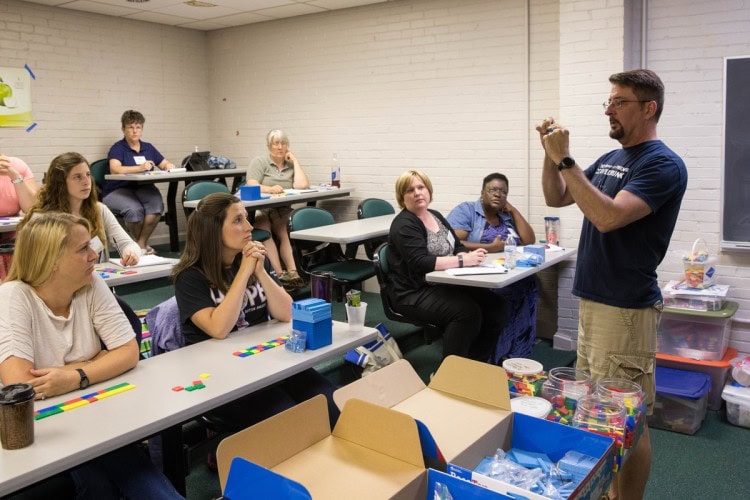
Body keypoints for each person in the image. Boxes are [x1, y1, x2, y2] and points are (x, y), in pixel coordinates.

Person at [537, 69, 688, 500]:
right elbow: (557, 197)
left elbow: (606, 217)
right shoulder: (610, 160)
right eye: (608, 100)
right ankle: (608, 491)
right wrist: (550, 155)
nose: (608, 109)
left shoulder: (662, 164)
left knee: (628, 419)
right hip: (594, 302)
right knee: (595, 412)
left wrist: (566, 159)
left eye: (618, 101)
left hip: (624, 311)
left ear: (648, 108)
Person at [0, 213, 182, 499]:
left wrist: (75, 375)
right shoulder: (12, 296)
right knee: (106, 480)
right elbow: (21, 385)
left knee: (124, 480)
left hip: (94, 411)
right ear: (52, 260)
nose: (93, 255)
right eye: (82, 248)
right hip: (43, 428)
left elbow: (128, 351)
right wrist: (98, 360)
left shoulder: (89, 282)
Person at [172, 192, 339, 432]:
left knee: (329, 400)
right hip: (222, 376)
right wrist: (244, 272)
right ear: (213, 230)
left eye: (246, 218)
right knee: (290, 418)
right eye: (238, 220)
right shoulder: (189, 277)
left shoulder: (253, 259)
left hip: (263, 362)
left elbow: (285, 313)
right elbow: (218, 329)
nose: (249, 226)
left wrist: (260, 271)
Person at [387, 170, 507, 362]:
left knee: (497, 306)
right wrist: (462, 261)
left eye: (421, 187)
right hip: (413, 292)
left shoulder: (435, 216)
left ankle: (476, 361)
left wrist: (467, 255)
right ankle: (449, 374)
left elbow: (457, 245)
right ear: (402, 197)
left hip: (443, 283)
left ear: (429, 190)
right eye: (410, 190)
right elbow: (421, 263)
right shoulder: (404, 224)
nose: (417, 193)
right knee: (466, 313)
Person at [447, 172, 538, 361]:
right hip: (478, 275)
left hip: (502, 271)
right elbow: (454, 242)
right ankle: (495, 354)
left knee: (530, 283)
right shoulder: (467, 211)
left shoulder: (504, 216)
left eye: (503, 192)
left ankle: (517, 348)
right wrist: (490, 248)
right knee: (504, 296)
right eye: (493, 190)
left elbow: (529, 240)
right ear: (482, 193)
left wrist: (513, 211)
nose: (498, 195)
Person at [20, 152, 141, 266]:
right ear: (60, 183)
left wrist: (131, 253)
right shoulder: (43, 218)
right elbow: (37, 264)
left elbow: (128, 244)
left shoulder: (99, 210)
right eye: (77, 177)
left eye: (88, 175)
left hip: (98, 281)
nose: (86, 182)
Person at [102, 110, 175, 255]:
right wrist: (139, 168)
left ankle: (140, 245)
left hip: (142, 187)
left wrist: (169, 166)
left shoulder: (148, 147)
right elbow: (114, 169)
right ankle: (141, 247)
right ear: (123, 129)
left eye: (138, 127)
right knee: (134, 210)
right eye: (130, 127)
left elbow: (164, 163)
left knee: (156, 206)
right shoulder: (118, 148)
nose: (135, 131)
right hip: (117, 189)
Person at [246, 129, 309, 290]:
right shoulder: (260, 162)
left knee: (283, 229)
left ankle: (293, 273)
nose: (280, 147)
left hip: (282, 207)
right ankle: (279, 276)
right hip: (261, 207)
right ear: (269, 146)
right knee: (265, 231)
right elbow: (251, 184)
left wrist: (294, 160)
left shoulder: (289, 164)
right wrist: (269, 189)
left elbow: (302, 185)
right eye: (276, 143)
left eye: (283, 143)